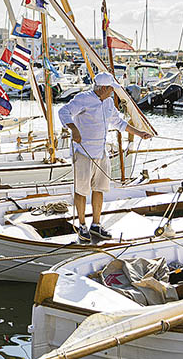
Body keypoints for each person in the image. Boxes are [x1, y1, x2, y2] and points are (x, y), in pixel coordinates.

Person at [58, 72, 151, 243]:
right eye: (111, 89)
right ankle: (82, 225)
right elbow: (63, 112)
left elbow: (119, 123)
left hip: (101, 152)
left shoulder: (108, 103)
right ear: (104, 88)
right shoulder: (83, 99)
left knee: (99, 189)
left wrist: (140, 133)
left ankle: (96, 224)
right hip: (84, 153)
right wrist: (74, 130)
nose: (112, 93)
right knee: (81, 190)